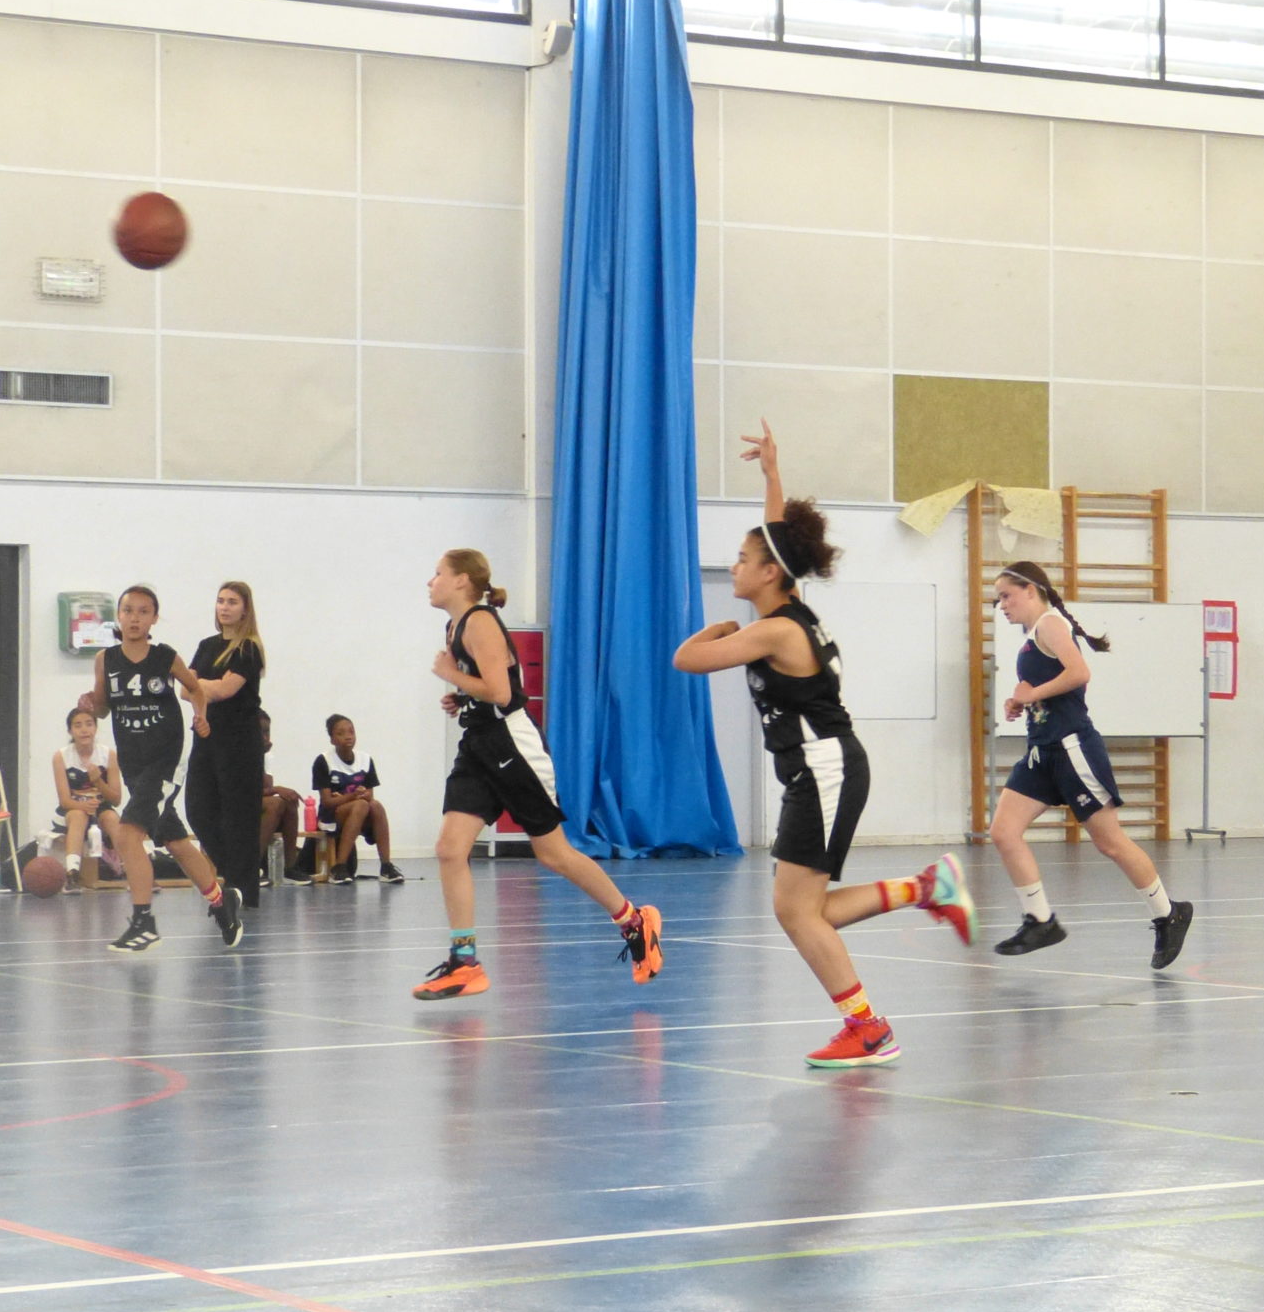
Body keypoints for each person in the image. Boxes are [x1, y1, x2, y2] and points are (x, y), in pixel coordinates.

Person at [674, 422, 975, 1068]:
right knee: (803, 909)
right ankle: (926, 889)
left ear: (769, 573)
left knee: (796, 911)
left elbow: (686, 660)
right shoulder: (785, 610)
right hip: (819, 771)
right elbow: (778, 537)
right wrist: (771, 475)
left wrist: (712, 629)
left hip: (825, 771)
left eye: (743, 559)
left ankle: (869, 1029)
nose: (735, 566)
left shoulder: (775, 632)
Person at [414, 549, 660, 999]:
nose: (430, 582)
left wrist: (453, 676)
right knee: (450, 850)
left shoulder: (480, 622)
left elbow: (502, 693)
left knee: (554, 854)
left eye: (438, 573)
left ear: (462, 580)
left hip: (512, 747)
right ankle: (465, 962)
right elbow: (487, 688)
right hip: (478, 746)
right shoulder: (455, 626)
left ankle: (633, 920)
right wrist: (461, 698)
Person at [987, 561, 1193, 968]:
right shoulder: (1032, 636)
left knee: (1109, 842)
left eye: (1006, 596)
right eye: (998, 599)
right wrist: (1021, 700)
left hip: (1071, 748)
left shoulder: (1050, 624)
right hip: (1041, 751)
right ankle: (1040, 920)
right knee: (1003, 832)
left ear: (1031, 590)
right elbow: (1048, 687)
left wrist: (1033, 694)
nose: (1002, 605)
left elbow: (1080, 673)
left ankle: (1168, 913)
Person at [84, 584, 240, 952]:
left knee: (127, 835)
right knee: (175, 841)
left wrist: (200, 715)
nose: (134, 618)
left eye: (143, 612)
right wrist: (91, 705)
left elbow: (195, 689)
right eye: (128, 610)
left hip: (165, 760)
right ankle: (222, 901)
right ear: (118, 616)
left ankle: (144, 922)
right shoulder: (105, 660)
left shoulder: (165, 657)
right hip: (134, 763)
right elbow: (103, 706)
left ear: (154, 618)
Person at [184, 581, 266, 914]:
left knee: (238, 817)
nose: (225, 607)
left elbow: (225, 689)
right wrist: (202, 688)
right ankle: (235, 876)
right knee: (198, 810)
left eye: (232, 602)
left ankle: (240, 890)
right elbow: (184, 690)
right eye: (221, 601)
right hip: (206, 735)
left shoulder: (249, 649)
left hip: (240, 742)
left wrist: (198, 685)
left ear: (245, 609)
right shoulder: (207, 645)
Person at [312, 714, 403, 885]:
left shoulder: (365, 759)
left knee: (376, 806)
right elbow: (327, 802)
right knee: (360, 805)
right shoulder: (323, 761)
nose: (348, 736)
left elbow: (370, 796)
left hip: (357, 811)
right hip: (331, 817)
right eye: (341, 733)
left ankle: (386, 866)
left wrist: (362, 795)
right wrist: (353, 796)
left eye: (351, 732)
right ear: (332, 739)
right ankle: (339, 867)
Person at [52, 704, 121, 890]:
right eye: (78, 725)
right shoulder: (61, 757)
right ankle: (72, 873)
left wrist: (98, 781)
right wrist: (84, 806)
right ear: (70, 731)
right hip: (73, 807)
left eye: (89, 724)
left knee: (112, 818)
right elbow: (64, 800)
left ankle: (131, 870)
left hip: (101, 806)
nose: (84, 730)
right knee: (78, 816)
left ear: (96, 728)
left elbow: (116, 800)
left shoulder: (108, 755)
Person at [257, 711, 303, 893]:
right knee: (275, 803)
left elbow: (266, 786)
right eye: (260, 731)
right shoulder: (235, 752)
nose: (265, 737)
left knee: (288, 801)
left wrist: (260, 755)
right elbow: (244, 792)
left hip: (251, 805)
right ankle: (251, 867)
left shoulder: (265, 755)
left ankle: (289, 867)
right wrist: (276, 790)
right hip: (230, 808)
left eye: (267, 732)